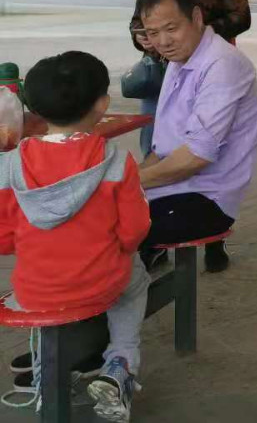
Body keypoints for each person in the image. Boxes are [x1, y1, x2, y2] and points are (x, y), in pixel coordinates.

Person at [1, 52, 151, 422]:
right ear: (102, 105)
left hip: (34, 290)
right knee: (135, 282)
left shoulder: (10, 164)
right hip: (102, 283)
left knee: (47, 286)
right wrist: (118, 250)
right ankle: (120, 362)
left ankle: (46, 374)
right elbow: (134, 230)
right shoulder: (117, 160)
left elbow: (3, 238)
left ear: (33, 109)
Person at [136, 0, 257, 275]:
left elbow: (195, 157)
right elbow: (162, 148)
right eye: (153, 33)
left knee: (100, 223)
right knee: (90, 211)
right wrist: (126, 180)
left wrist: (127, 183)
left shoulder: (221, 64)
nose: (163, 41)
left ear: (196, 17)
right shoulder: (180, 58)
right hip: (174, 187)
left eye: (171, 29)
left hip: (208, 199)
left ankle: (119, 300)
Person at [129, 0, 250, 160]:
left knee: (199, 144)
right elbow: (138, 20)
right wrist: (142, 37)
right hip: (161, 71)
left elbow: (241, 17)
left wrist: (197, 35)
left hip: (207, 69)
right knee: (153, 145)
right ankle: (150, 184)